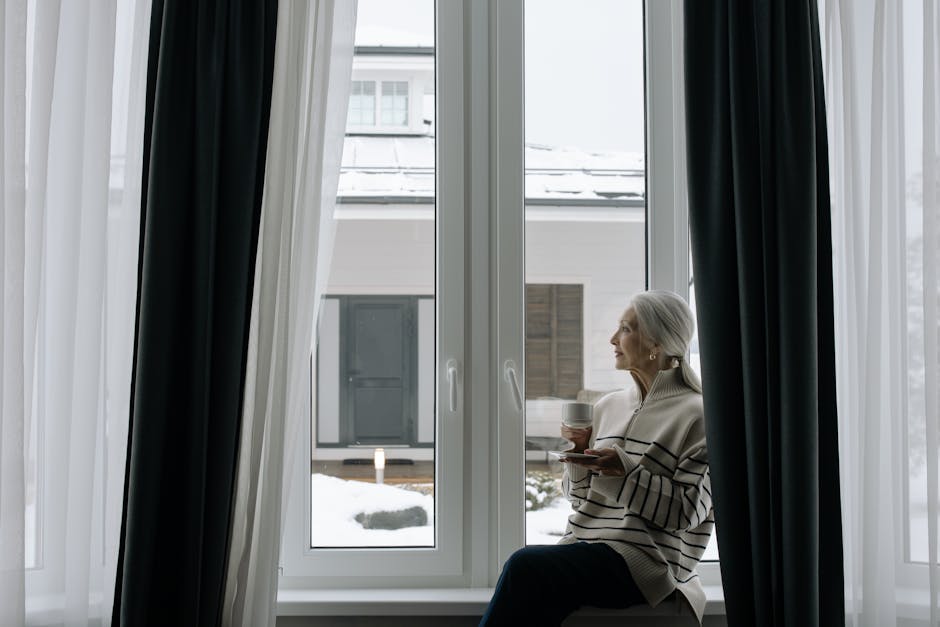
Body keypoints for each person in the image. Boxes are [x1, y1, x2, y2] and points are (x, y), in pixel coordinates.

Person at [479, 290, 714, 626]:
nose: (613, 339)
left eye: (627, 329)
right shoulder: (607, 407)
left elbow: (686, 513)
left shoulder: (699, 415)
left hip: (646, 562)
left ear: (657, 344)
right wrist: (578, 456)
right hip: (586, 546)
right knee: (531, 585)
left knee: (524, 566)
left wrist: (624, 472)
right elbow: (580, 502)